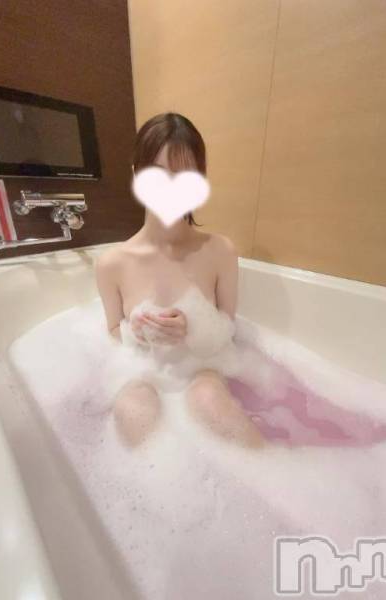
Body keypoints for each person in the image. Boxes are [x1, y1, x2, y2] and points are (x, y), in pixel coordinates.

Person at [95, 112, 265, 450]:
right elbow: (113, 330)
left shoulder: (221, 251)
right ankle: (147, 478)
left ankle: (268, 472)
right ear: (137, 173)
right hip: (141, 366)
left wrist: (196, 328)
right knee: (134, 405)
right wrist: (136, 331)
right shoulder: (111, 264)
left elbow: (228, 325)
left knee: (209, 398)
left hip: (205, 366)